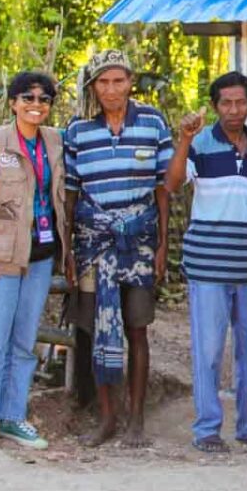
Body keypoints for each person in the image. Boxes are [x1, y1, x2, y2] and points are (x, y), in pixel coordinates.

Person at [164, 72, 247, 453]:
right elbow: (172, 183)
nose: (234, 110)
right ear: (216, 106)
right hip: (207, 267)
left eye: (241, 102)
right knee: (209, 351)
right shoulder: (199, 142)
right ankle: (207, 429)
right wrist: (184, 140)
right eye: (226, 103)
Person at [64, 50, 172, 448]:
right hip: (93, 245)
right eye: (103, 82)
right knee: (96, 329)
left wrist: (162, 244)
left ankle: (137, 419)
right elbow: (72, 196)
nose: (111, 89)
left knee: (137, 328)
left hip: (139, 241)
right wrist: (69, 252)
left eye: (118, 80)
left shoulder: (153, 123)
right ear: (93, 86)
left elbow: (163, 189)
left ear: (131, 82)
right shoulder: (78, 130)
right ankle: (107, 418)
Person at [0, 72, 67, 450]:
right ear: (13, 103)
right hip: (0, 256)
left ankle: (12, 417)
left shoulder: (54, 143)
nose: (36, 105)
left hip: (39, 257)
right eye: (28, 98)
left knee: (23, 343)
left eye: (44, 99)